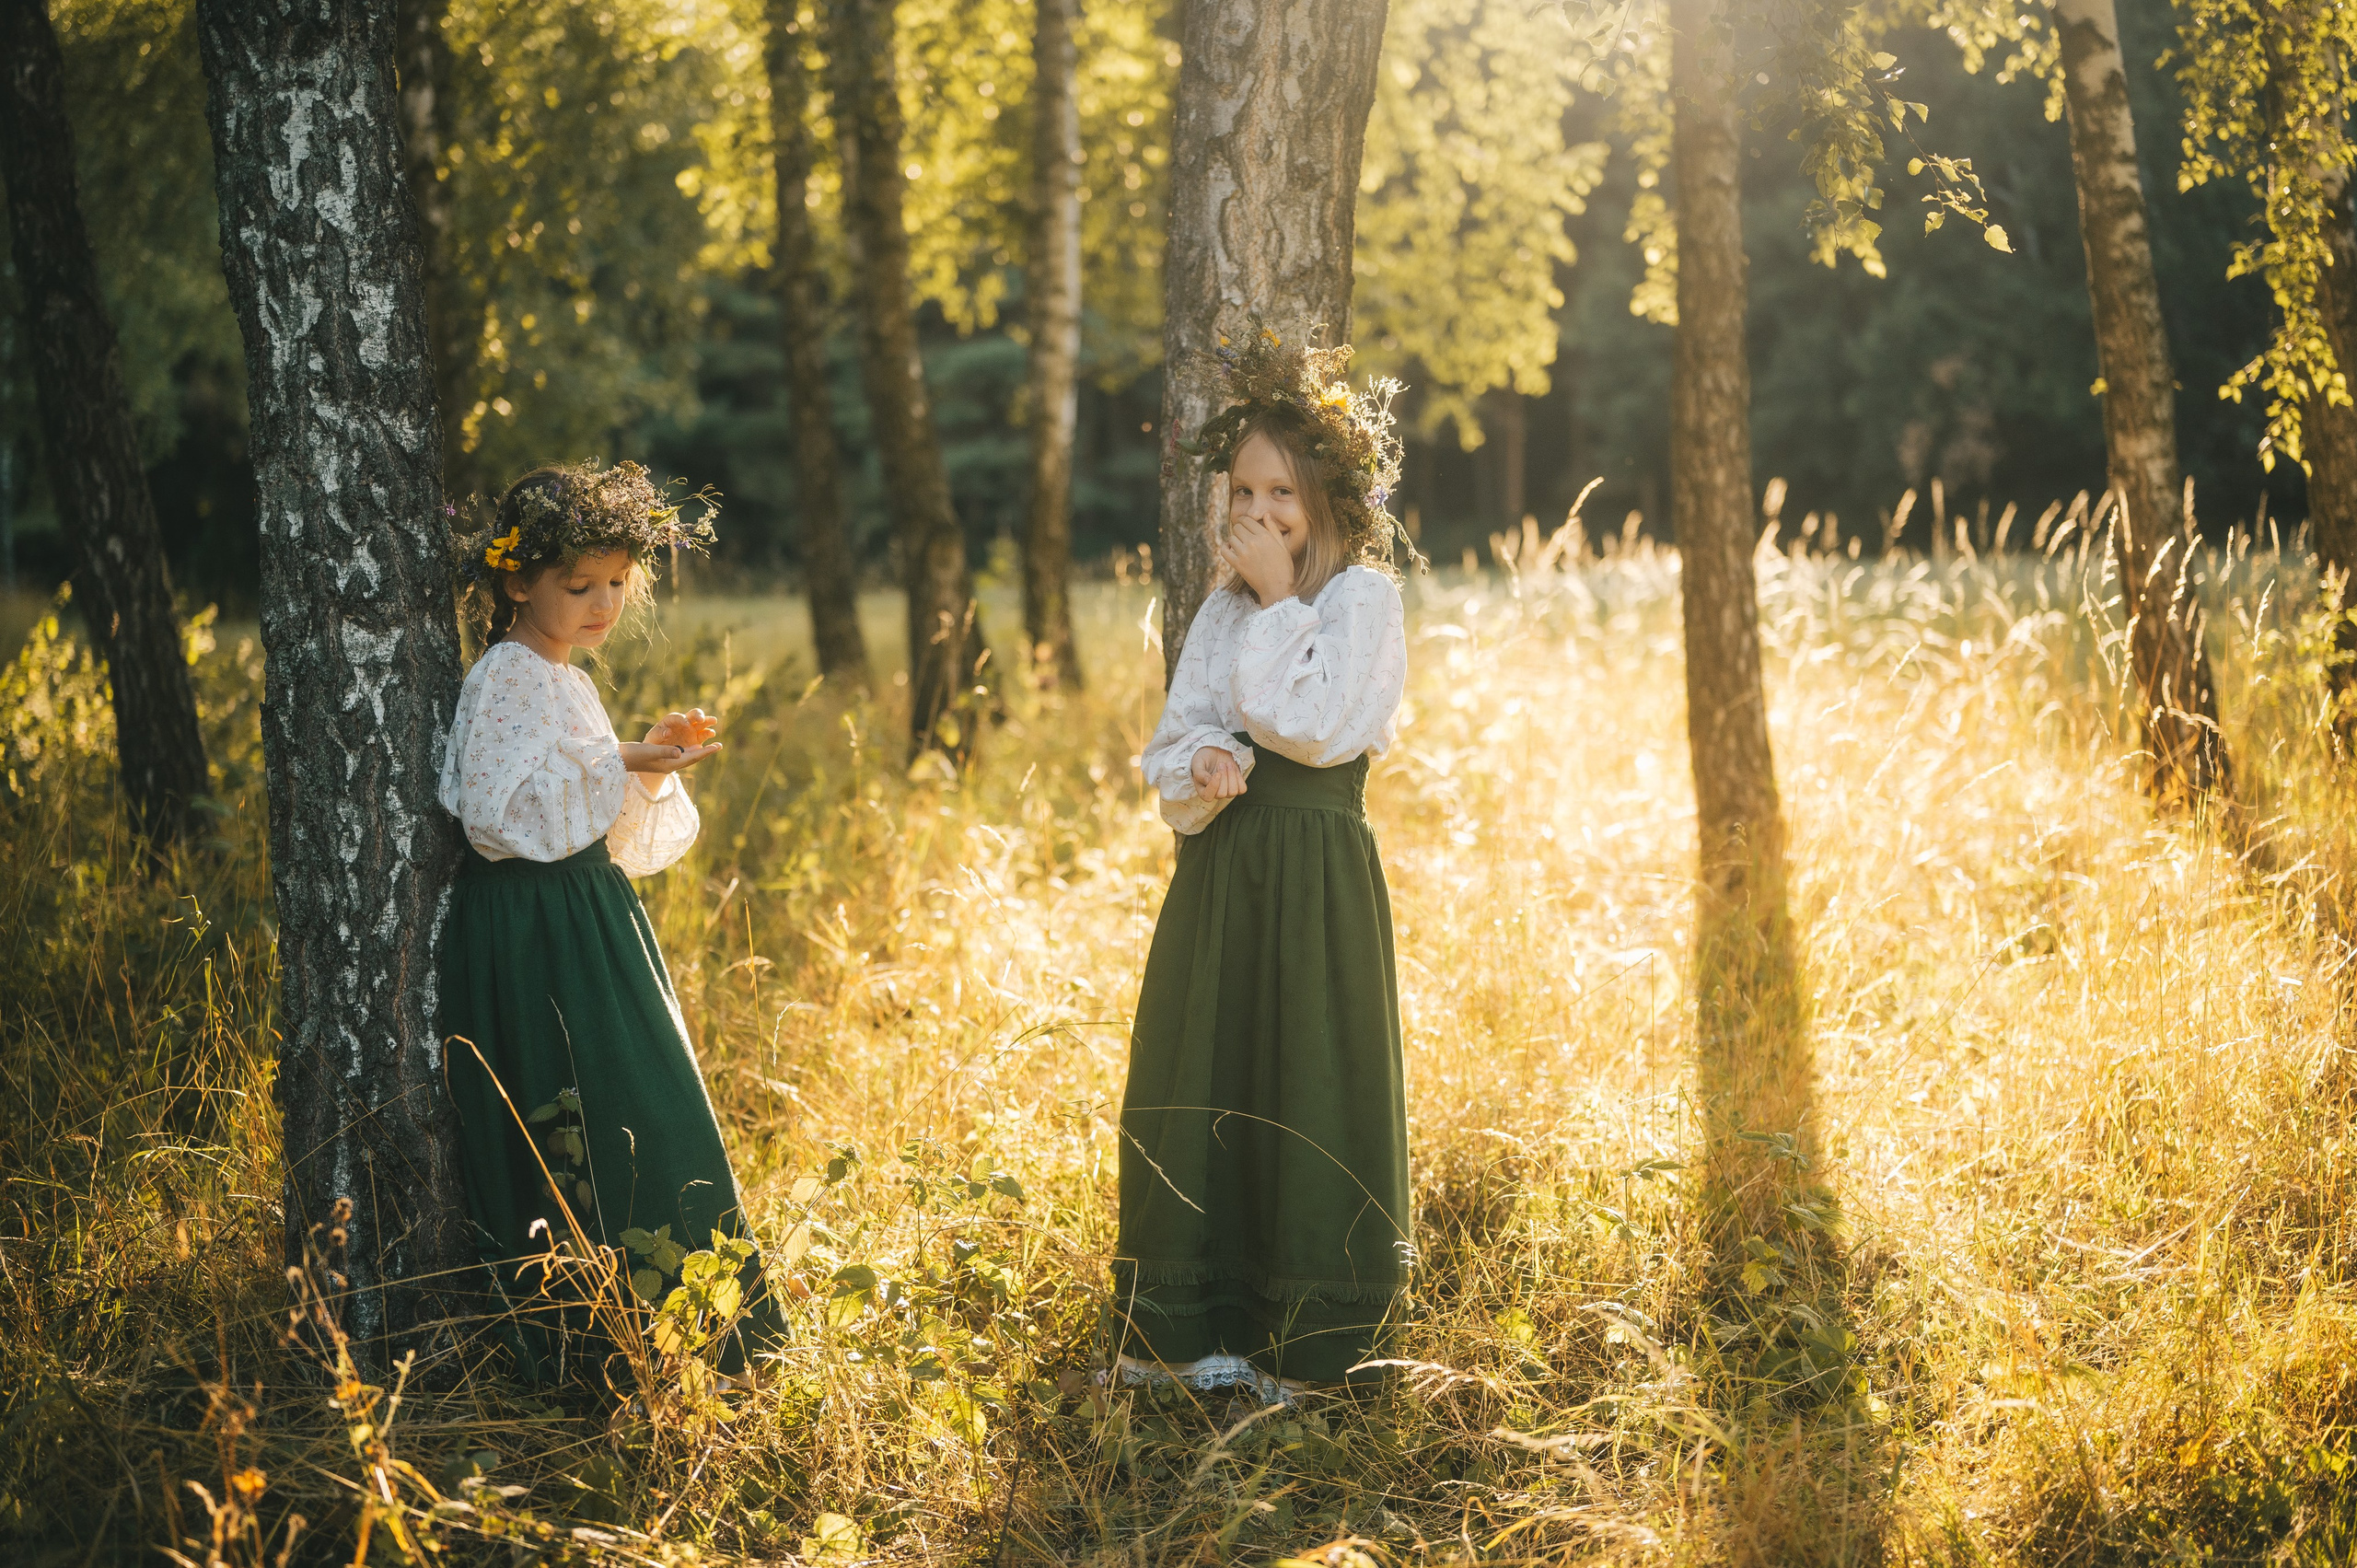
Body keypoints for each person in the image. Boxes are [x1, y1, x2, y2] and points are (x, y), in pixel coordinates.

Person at [1116, 325, 1418, 1401]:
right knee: (1210, 1073)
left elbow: (1319, 725)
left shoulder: (1360, 601)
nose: (1259, 514)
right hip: (1227, 879)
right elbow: (1175, 738)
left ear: (1328, 500)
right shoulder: (1220, 609)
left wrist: (1283, 593)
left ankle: (1315, 1339)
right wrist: (1198, 759)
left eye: (1282, 493)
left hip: (1317, 877)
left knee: (1308, 1071)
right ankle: (1197, 1332)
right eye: (1244, 492)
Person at [437, 459, 775, 1383]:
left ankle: (691, 1328)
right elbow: (498, 812)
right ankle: (595, 1344)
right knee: (587, 1113)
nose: (601, 604)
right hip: (534, 929)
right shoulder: (506, 674)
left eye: (618, 584)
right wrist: (621, 753)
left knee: (645, 1103)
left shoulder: (566, 679)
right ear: (517, 580)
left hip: (587, 912)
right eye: (577, 584)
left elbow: (599, 822)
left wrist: (647, 762)